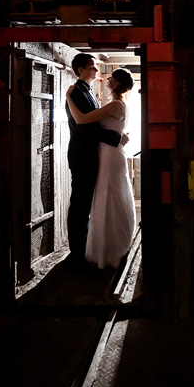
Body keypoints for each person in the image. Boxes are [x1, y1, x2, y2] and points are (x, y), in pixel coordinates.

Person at [65, 66, 137, 269]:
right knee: (108, 196)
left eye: (111, 77)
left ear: (117, 83)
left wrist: (69, 97)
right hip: (109, 152)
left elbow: (81, 120)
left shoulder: (115, 105)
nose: (106, 78)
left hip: (109, 155)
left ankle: (108, 248)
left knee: (107, 197)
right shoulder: (117, 104)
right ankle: (108, 245)